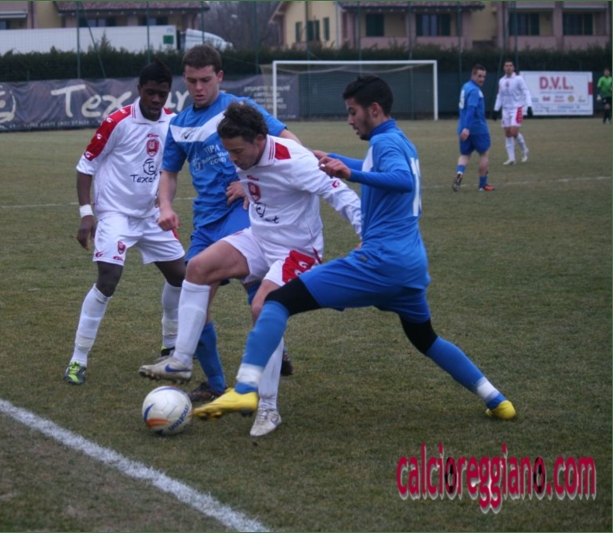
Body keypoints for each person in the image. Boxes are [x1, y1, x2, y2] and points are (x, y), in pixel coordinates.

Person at [193, 75, 516, 428]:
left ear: (373, 110)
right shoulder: (398, 140)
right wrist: (335, 160)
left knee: (274, 302)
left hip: (378, 262)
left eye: (352, 112)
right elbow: (383, 169)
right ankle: (496, 399)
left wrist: (350, 173)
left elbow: (401, 180)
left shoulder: (385, 144)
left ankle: (245, 388)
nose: (349, 120)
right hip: (410, 263)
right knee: (426, 338)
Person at [140, 102, 362, 436]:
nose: (233, 159)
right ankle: (181, 360)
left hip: (297, 251)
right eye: (228, 151)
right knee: (197, 268)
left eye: (237, 152)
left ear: (260, 139)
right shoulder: (244, 154)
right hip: (259, 238)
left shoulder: (295, 160)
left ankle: (268, 408)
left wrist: (368, 238)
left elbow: (343, 197)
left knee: (263, 307)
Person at [137, 44, 302, 402]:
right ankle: (216, 383)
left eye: (206, 80)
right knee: (192, 301)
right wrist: (164, 205)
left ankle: (269, 358)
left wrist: (251, 182)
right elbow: (168, 173)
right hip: (206, 221)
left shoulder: (239, 109)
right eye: (192, 81)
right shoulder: (179, 124)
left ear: (220, 77)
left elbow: (289, 143)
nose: (198, 87)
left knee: (250, 283)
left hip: (240, 210)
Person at [63, 61, 186, 385]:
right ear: (139, 89)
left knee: (181, 277)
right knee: (108, 279)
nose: (156, 99)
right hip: (116, 214)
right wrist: (86, 213)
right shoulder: (117, 122)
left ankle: (170, 344)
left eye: (162, 94)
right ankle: (78, 359)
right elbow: (85, 167)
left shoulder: (173, 123)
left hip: (151, 215)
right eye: (150, 92)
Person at [453, 64, 494, 192]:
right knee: (484, 154)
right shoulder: (475, 90)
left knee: (465, 155)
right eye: (479, 76)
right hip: (477, 129)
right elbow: (471, 109)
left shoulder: (465, 87)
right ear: (473, 75)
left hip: (463, 128)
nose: (482, 79)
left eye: (484, 77)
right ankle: (483, 185)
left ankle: (459, 175)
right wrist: (467, 128)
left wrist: (464, 128)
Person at [492, 60, 532, 165]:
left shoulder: (518, 79)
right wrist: (496, 109)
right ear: (504, 68)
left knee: (513, 132)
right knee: (508, 133)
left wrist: (529, 105)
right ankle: (511, 159)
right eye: (506, 66)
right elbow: (500, 96)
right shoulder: (501, 81)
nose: (508, 67)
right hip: (505, 109)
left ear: (513, 68)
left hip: (516, 108)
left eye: (510, 65)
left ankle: (524, 149)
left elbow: (526, 92)